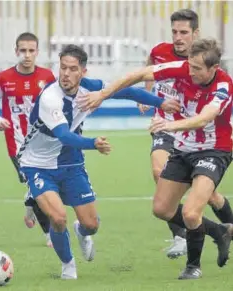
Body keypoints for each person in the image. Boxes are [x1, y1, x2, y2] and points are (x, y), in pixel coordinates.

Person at [18, 44, 180, 279]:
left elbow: (127, 91)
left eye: (72, 69)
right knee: (58, 217)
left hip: (70, 162)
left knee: (91, 224)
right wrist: (93, 143)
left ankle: (82, 232)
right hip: (38, 164)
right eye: (62, 67)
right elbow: (64, 135)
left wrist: (160, 103)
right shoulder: (50, 97)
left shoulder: (89, 87)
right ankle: (68, 265)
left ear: (83, 71)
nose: (65, 73)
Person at [77, 38, 233, 279]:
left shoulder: (223, 85)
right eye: (190, 66)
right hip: (184, 149)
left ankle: (193, 267)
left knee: (192, 213)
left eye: (197, 69)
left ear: (213, 69)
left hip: (214, 150)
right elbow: (140, 74)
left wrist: (170, 125)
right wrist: (103, 94)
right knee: (161, 209)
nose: (190, 72)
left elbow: (204, 119)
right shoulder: (184, 68)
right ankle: (220, 231)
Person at [137, 8, 233, 259]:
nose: (178, 37)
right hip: (166, 125)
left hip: (198, 134)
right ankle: (181, 234)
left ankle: (221, 227)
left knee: (206, 196)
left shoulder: (206, 66)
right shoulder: (161, 52)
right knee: (160, 174)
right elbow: (147, 67)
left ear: (195, 34)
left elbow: (208, 114)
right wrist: (147, 96)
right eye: (174, 32)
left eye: (183, 32)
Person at [0, 32, 56, 247]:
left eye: (31, 51)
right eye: (23, 50)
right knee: (37, 186)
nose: (27, 55)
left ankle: (29, 203)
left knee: (42, 185)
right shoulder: (4, 78)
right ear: (16, 51)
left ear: (37, 52)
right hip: (17, 144)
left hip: (43, 142)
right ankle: (49, 234)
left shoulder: (47, 77)